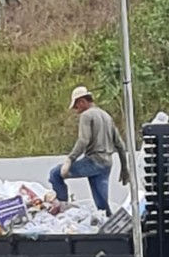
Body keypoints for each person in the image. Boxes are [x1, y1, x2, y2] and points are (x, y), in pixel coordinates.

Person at [50, 86, 129, 215]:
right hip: (106, 163)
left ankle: (62, 209)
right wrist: (124, 168)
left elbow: (83, 140)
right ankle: (108, 222)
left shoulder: (86, 115)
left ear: (82, 101)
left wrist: (70, 159)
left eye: (76, 106)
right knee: (102, 206)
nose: (76, 110)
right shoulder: (106, 116)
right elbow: (120, 144)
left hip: (94, 161)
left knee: (55, 174)